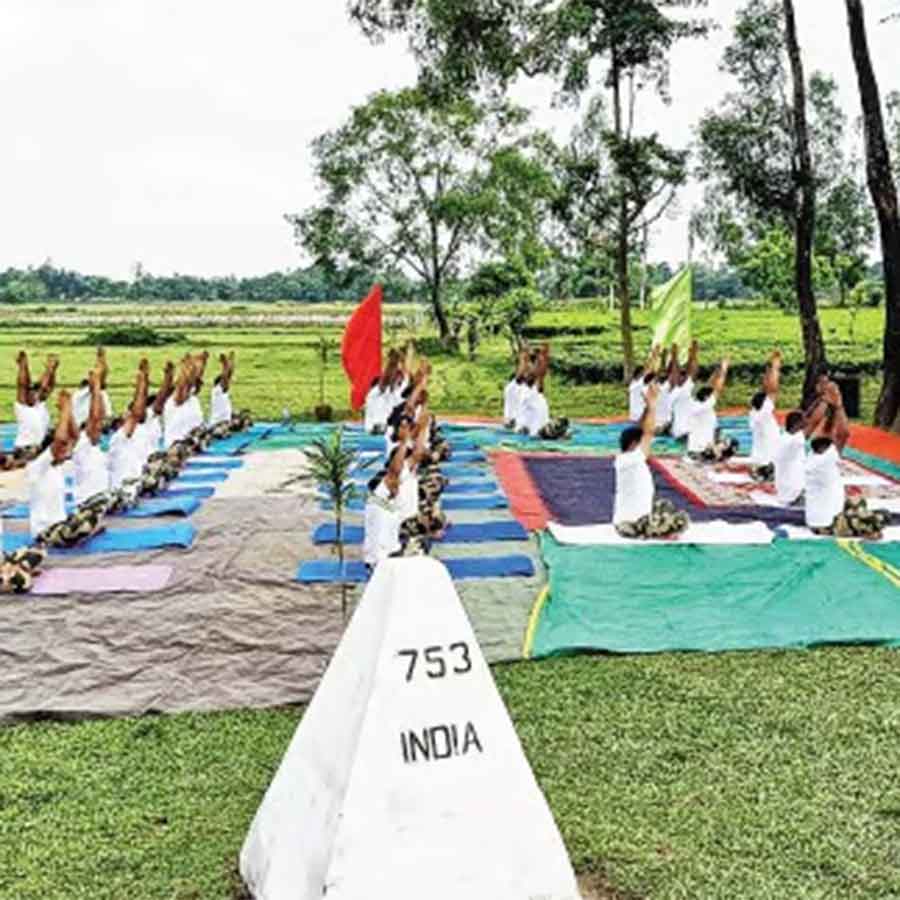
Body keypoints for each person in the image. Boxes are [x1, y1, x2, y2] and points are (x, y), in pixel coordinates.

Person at [805, 380, 891, 538]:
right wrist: (838, 405)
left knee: (857, 501)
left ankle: (862, 527)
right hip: (829, 525)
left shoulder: (813, 457)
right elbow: (843, 434)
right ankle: (867, 530)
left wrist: (830, 405)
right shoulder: (826, 459)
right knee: (882, 516)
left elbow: (827, 430)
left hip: (818, 520)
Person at [29, 390, 107, 548]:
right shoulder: (37, 466)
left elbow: (74, 438)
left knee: (91, 515)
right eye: (62, 449)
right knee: (81, 525)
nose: (67, 452)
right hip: (45, 532)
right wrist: (65, 409)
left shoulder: (58, 467)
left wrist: (68, 408)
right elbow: (60, 440)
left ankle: (79, 533)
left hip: (61, 524)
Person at [614, 382, 689, 539]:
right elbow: (648, 432)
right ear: (634, 444)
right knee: (681, 521)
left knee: (665, 506)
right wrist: (653, 405)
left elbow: (642, 430)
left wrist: (647, 408)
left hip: (633, 521)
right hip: (632, 524)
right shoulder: (632, 459)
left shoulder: (626, 458)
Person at [10, 352, 58, 467]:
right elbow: (22, 385)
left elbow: (47, 386)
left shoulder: (39, 404)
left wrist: (51, 370)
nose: (34, 394)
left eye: (35, 392)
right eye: (30, 392)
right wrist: (23, 365)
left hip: (41, 450)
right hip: (25, 451)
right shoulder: (22, 407)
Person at [687, 357, 738, 462]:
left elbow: (709, 386)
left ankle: (717, 454)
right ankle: (718, 455)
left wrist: (717, 371)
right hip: (703, 453)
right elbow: (717, 389)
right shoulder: (705, 407)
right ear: (707, 397)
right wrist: (724, 369)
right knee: (732, 443)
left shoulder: (697, 404)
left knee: (726, 441)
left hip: (699, 451)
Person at [72, 368, 110, 506]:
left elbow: (99, 417)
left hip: (100, 500)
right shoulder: (84, 442)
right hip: (87, 502)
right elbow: (95, 417)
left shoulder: (95, 445)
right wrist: (96, 387)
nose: (101, 427)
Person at [363, 447, 404, 570]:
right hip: (381, 560)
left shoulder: (386, 503)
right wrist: (405, 442)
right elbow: (394, 473)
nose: (398, 486)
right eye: (395, 484)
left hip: (388, 556)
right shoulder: (377, 501)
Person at [518, 345, 569, 440]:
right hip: (537, 432)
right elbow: (537, 375)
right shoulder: (527, 393)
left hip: (539, 432)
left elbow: (538, 375)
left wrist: (541, 357)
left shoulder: (534, 394)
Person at [748, 350, 783, 480]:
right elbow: (773, 389)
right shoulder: (765, 412)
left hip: (759, 462)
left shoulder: (754, 413)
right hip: (767, 463)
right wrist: (775, 367)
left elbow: (766, 390)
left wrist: (769, 369)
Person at [670, 340, 700, 441]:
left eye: (684, 375)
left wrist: (693, 354)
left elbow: (692, 371)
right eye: (680, 375)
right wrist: (674, 355)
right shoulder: (674, 390)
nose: (682, 376)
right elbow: (675, 371)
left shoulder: (687, 386)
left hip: (689, 431)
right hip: (680, 432)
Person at [628, 346, 660, 423]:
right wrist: (654, 355)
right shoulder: (638, 383)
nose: (644, 374)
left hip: (635, 416)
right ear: (639, 374)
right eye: (643, 373)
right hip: (639, 417)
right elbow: (649, 369)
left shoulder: (634, 383)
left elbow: (648, 369)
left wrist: (654, 355)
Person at [504, 349, 530, 430]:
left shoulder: (525, 389)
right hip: (513, 424)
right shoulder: (511, 388)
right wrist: (523, 358)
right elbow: (521, 372)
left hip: (520, 424)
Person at [209, 352, 235, 430]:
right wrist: (225, 364)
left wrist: (230, 362)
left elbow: (228, 375)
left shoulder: (222, 391)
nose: (230, 382)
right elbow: (225, 376)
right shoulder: (218, 390)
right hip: (217, 425)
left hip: (223, 423)